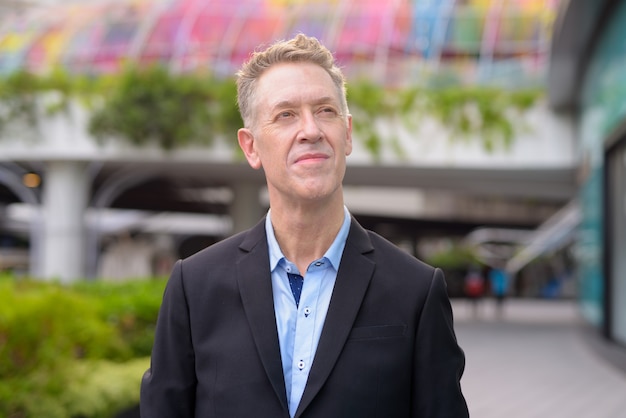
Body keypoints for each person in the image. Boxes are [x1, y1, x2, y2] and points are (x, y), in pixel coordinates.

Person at [140, 34, 469, 418]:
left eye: (325, 111)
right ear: (251, 147)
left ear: (347, 134)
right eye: (286, 115)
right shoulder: (194, 287)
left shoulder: (416, 290)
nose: (311, 130)